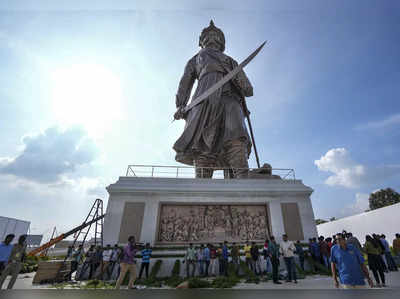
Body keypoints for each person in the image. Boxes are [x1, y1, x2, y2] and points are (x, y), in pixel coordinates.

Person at [173, 20, 254, 179]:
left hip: (229, 101)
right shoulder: (195, 60)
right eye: (207, 36)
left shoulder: (231, 62)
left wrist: (240, 81)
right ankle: (202, 185)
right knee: (202, 143)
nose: (211, 38)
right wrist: (181, 104)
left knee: (236, 136)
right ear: (201, 41)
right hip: (203, 102)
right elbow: (185, 83)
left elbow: (248, 90)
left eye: (216, 36)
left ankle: (242, 178)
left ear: (221, 41)